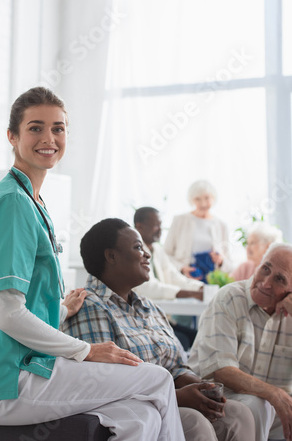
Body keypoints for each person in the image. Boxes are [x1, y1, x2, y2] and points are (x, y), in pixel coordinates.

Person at [0, 87, 184, 441]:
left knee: (139, 417)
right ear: (12, 137)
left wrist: (61, 310)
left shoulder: (33, 201)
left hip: (11, 371)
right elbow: (7, 314)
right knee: (157, 379)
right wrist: (88, 351)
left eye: (58, 128)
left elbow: (21, 307)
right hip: (1, 380)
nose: (49, 138)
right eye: (35, 128)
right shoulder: (12, 203)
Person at [62, 218, 256, 441]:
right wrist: (175, 397)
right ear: (111, 256)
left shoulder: (149, 307)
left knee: (238, 414)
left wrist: (201, 387)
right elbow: (105, 384)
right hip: (132, 409)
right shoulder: (88, 306)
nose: (147, 254)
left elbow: (175, 367)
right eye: (138, 247)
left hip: (168, 400)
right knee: (195, 424)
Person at [187, 243, 292, 441]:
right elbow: (223, 370)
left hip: (268, 410)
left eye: (279, 279)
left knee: (263, 405)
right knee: (257, 404)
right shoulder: (228, 298)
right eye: (265, 269)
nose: (266, 283)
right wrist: (274, 394)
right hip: (216, 402)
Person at [133, 206, 203, 350]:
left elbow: (174, 277)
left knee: (198, 337)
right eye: (155, 225)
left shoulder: (157, 249)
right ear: (139, 227)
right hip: (143, 321)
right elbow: (148, 287)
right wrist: (189, 294)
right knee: (182, 341)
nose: (160, 230)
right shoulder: (133, 252)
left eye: (161, 225)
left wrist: (200, 288)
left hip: (162, 319)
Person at [164, 180, 231, 282]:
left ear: (213, 197)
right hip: (184, 279)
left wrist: (221, 261)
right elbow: (165, 254)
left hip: (211, 280)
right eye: (198, 199)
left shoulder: (222, 225)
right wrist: (182, 268)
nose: (203, 203)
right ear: (191, 200)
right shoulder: (179, 220)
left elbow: (229, 262)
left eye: (207, 198)